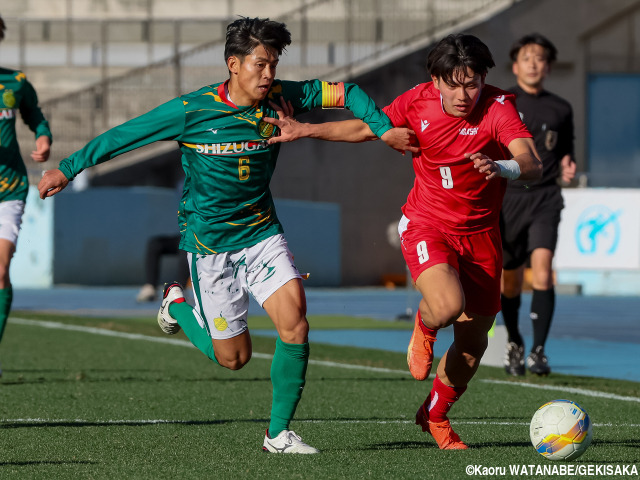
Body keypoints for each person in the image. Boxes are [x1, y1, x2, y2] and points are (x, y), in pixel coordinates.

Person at [38, 17, 414, 453]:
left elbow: (346, 93)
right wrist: (67, 169)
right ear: (233, 65)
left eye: (273, 64)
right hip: (209, 244)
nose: (269, 74)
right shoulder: (191, 111)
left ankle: (277, 434)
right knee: (233, 359)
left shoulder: (282, 98)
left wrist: (383, 127)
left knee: (295, 322)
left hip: (261, 233)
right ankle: (177, 305)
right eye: (260, 64)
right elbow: (125, 136)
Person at [263, 33, 542, 450]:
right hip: (428, 223)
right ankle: (426, 323)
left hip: (482, 235)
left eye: (473, 83)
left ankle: (435, 415)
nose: (464, 94)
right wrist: (304, 129)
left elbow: (531, 160)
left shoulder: (500, 106)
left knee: (473, 343)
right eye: (454, 83)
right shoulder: (417, 101)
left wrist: (502, 166)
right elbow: (366, 126)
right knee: (448, 306)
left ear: (484, 78)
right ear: (436, 79)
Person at [500, 33, 576, 377]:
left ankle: (539, 351)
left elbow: (565, 149)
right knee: (510, 281)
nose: (533, 63)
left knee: (543, 271)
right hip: (507, 199)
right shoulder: (501, 103)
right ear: (515, 65)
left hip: (545, 197)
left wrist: (568, 164)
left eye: (540, 58)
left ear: (548, 66)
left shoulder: (561, 108)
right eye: (527, 57)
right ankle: (514, 341)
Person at [0, 16, 52, 377]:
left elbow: (35, 116)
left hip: (9, 188)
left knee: (0, 271)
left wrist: (43, 137)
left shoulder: (15, 82)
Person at [135, 233, 189, 302]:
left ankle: (179, 290)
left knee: (186, 244)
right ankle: (150, 287)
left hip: (198, 239)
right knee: (154, 244)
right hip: (183, 236)